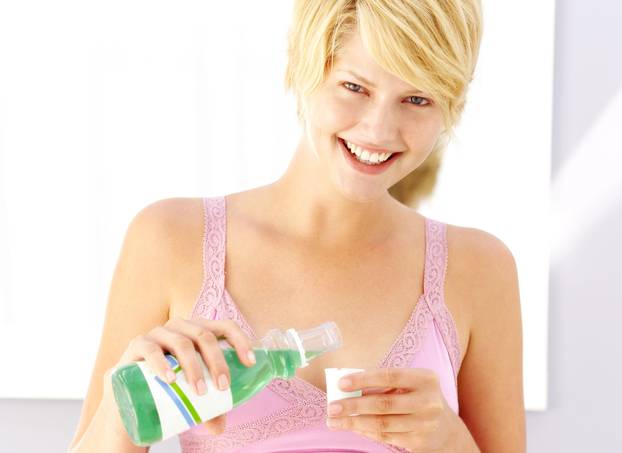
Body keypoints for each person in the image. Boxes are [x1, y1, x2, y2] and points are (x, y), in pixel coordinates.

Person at [69, 0, 525, 451]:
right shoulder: (170, 239)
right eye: (354, 87)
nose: (379, 130)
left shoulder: (478, 269)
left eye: (417, 99)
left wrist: (449, 441)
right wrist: (120, 406)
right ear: (303, 68)